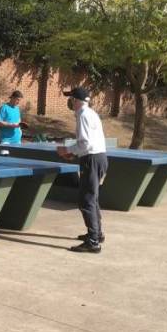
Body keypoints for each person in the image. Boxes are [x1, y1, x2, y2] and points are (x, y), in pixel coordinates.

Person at [56, 87, 108, 253]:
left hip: (91, 159)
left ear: (77, 100)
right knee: (92, 197)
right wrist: (74, 153)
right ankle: (96, 234)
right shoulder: (91, 113)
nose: (70, 101)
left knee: (86, 200)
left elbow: (85, 143)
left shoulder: (83, 115)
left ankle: (93, 242)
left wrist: (67, 150)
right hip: (98, 158)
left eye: (71, 98)